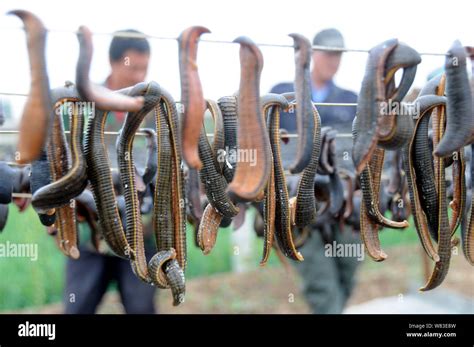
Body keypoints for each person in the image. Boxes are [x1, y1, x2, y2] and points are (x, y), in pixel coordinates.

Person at [64, 30, 157, 314]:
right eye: (133, 67)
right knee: (78, 308)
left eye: (145, 67)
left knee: (142, 309)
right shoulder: (80, 104)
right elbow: (64, 163)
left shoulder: (154, 109)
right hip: (88, 235)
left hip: (141, 234)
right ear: (113, 62)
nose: (139, 75)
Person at [270, 28, 360, 314]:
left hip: (344, 207)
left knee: (348, 273)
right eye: (329, 53)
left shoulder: (349, 99)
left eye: (339, 55)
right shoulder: (281, 94)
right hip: (300, 208)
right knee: (321, 285)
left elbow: (354, 152)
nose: (335, 60)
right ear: (312, 55)